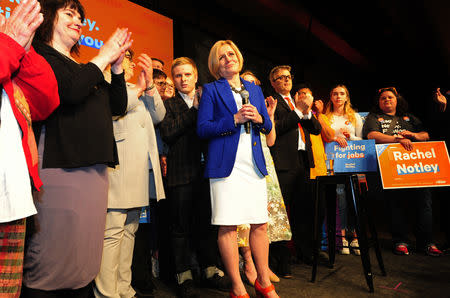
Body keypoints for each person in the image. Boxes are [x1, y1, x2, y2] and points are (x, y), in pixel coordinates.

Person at [22, 0, 131, 296]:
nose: (78, 21)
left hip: (94, 168)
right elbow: (69, 92)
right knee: (54, 253)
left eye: (80, 17)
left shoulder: (84, 68)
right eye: (69, 13)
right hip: (61, 163)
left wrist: (118, 68)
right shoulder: (38, 54)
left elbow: (118, 105)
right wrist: (105, 55)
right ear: (47, 19)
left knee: (85, 254)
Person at [197, 40, 278, 298]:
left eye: (231, 54)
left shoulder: (254, 89)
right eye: (221, 57)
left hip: (253, 163)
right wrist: (234, 119)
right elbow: (203, 128)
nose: (228, 59)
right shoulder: (210, 90)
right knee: (227, 226)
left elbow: (266, 126)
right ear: (215, 65)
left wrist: (260, 118)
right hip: (225, 166)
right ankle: (237, 286)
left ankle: (264, 282)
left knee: (260, 224)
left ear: (238, 58)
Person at [94, 50, 166, 297]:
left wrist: (149, 88)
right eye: (125, 58)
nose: (131, 63)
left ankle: (123, 287)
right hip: (119, 166)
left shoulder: (137, 88)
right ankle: (106, 291)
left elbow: (159, 116)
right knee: (113, 230)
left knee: (130, 229)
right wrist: (139, 87)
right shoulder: (104, 82)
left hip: (140, 168)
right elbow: (117, 108)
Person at [0, 1, 59, 296]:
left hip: (13, 198)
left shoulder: (8, 55)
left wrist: (24, 49)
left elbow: (47, 98)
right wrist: (9, 45)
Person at [159, 57, 229, 297]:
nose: (183, 79)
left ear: (196, 76)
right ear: (174, 79)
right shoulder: (168, 105)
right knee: (180, 228)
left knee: (208, 225)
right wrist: (194, 111)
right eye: (178, 75)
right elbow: (168, 133)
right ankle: (183, 275)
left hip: (208, 173)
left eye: (187, 74)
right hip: (181, 174)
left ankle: (210, 270)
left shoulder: (210, 100)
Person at [362, 87, 442, 257]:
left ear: (397, 100)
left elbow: (426, 134)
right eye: (383, 98)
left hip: (418, 167)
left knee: (424, 203)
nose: (387, 100)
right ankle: (400, 241)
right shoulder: (374, 117)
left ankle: (426, 242)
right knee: (396, 204)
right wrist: (397, 139)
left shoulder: (409, 118)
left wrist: (412, 135)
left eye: (390, 97)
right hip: (392, 168)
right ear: (379, 102)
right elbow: (371, 135)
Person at [237, 71, 291, 286]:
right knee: (244, 216)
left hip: (265, 163)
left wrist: (268, 116)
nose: (250, 86)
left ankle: (263, 265)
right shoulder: (237, 107)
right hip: (243, 163)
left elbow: (270, 141)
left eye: (253, 83)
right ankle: (248, 261)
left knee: (263, 216)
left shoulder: (261, 109)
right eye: (245, 83)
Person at [266, 65, 321, 269]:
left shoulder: (299, 101)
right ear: (272, 83)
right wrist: (298, 110)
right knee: (280, 213)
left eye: (288, 77)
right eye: (280, 78)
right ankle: (281, 259)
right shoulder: (271, 102)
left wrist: (305, 112)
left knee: (304, 210)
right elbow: (276, 128)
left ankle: (305, 252)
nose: (286, 80)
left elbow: (316, 129)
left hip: (303, 161)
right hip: (283, 162)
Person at [324, 84, 363, 255]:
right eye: (335, 94)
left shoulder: (355, 117)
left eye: (342, 94)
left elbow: (361, 140)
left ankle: (354, 236)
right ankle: (342, 237)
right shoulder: (326, 117)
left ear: (347, 97)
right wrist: (335, 138)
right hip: (333, 163)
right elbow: (324, 138)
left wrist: (351, 137)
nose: (338, 97)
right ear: (331, 97)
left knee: (354, 199)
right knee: (339, 199)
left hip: (352, 161)